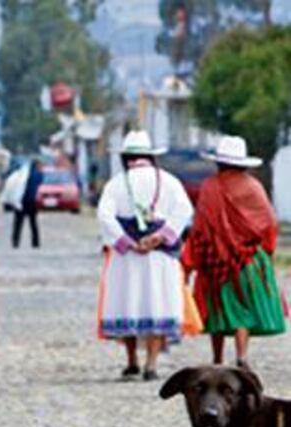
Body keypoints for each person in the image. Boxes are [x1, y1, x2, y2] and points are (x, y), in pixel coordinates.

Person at [97, 130, 194, 381]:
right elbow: (184, 210)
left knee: (128, 303)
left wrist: (126, 241)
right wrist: (159, 236)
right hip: (159, 257)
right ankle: (151, 365)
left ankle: (132, 361)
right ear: (150, 155)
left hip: (128, 257)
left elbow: (105, 215)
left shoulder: (116, 183)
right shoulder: (169, 181)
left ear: (126, 156)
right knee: (157, 304)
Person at [182, 135, 286, 367]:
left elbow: (200, 227)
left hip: (214, 259)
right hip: (248, 260)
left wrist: (194, 258)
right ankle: (241, 355)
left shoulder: (209, 187)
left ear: (218, 163)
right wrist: (265, 251)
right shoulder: (253, 187)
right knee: (244, 307)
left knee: (217, 308)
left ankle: (217, 357)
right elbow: (268, 222)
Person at [9, 159, 43, 248]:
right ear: (36, 166)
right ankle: (35, 242)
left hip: (20, 201)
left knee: (18, 224)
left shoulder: (21, 175)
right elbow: (40, 182)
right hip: (31, 202)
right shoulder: (37, 174)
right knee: (33, 223)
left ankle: (15, 242)